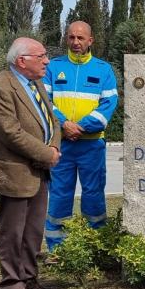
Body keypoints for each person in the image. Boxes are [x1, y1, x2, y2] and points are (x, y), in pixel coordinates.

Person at [0, 38, 61, 289]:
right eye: (41, 56)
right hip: (14, 171)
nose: (47, 61)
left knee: (33, 229)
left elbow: (52, 120)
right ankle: (11, 283)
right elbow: (11, 133)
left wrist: (53, 145)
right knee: (12, 231)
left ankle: (28, 277)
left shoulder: (35, 84)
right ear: (22, 60)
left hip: (38, 170)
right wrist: (46, 153)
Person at [44, 21, 118, 251]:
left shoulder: (103, 69)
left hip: (91, 145)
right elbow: (45, 102)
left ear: (90, 41)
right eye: (71, 37)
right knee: (59, 195)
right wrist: (64, 125)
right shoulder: (53, 67)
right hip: (61, 145)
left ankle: (96, 245)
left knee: (94, 195)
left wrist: (82, 127)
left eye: (80, 38)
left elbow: (109, 103)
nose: (75, 42)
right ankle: (58, 249)